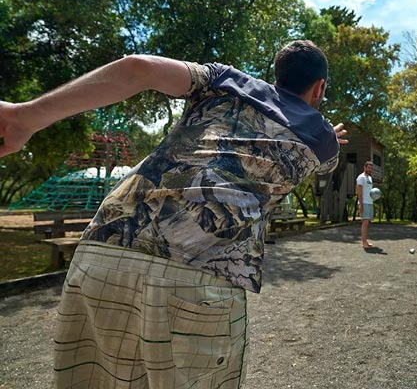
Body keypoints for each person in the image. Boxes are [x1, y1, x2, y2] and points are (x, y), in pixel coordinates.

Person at [0, 40, 348, 388]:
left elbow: (139, 68)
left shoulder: (226, 79)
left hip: (103, 246)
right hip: (199, 270)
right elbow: (322, 164)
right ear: (320, 88)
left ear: (277, 74)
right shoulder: (321, 135)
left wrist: (25, 115)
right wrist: (327, 133)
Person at [356, 161, 375, 248]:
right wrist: (360, 204)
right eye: (368, 167)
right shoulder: (361, 177)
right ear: (365, 168)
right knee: (365, 222)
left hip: (370, 202)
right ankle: (364, 243)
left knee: (367, 223)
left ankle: (366, 241)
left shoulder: (370, 178)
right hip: (364, 202)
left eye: (371, 168)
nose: (370, 169)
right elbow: (359, 191)